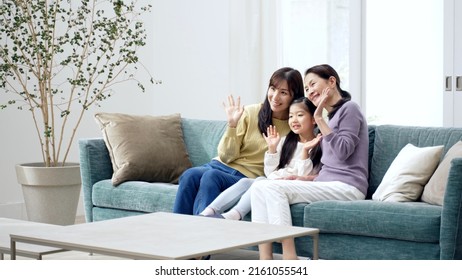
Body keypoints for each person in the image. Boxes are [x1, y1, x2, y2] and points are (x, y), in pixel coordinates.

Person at [250, 64, 369, 260]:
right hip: (330, 183)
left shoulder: (350, 109)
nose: (310, 91)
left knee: (273, 188)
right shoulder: (331, 117)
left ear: (332, 81)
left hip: (349, 187)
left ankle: (290, 259)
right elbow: (332, 168)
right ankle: (266, 260)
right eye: (306, 88)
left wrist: (318, 118)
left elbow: (343, 152)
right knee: (260, 186)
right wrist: (305, 178)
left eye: (313, 84)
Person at [173, 67, 305, 215]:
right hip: (220, 165)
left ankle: (204, 230)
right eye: (273, 89)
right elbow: (226, 157)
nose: (275, 96)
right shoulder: (251, 112)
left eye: (283, 92)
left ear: (294, 96)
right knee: (189, 175)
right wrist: (232, 126)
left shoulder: (295, 125)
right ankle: (179, 231)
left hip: (246, 176)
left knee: (211, 177)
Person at [200, 97, 322, 220]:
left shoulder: (319, 144)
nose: (294, 120)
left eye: (300, 115)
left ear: (313, 119)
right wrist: (272, 149)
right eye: (290, 116)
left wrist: (305, 151)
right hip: (275, 181)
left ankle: (234, 215)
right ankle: (208, 212)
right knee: (245, 182)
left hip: (291, 186)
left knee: (259, 181)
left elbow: (302, 176)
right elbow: (269, 172)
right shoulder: (286, 142)